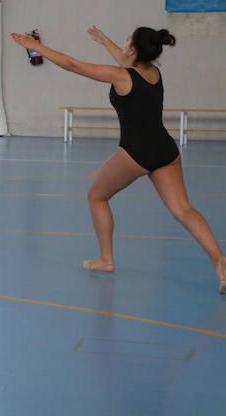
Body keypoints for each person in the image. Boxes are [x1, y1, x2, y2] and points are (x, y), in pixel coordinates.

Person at [11, 26, 226, 293]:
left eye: (127, 40)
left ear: (134, 49)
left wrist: (35, 46)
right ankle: (221, 261)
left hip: (136, 152)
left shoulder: (122, 76)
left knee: (96, 196)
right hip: (166, 150)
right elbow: (125, 60)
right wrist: (103, 41)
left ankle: (106, 259)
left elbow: (72, 64)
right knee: (183, 209)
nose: (123, 43)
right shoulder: (153, 72)